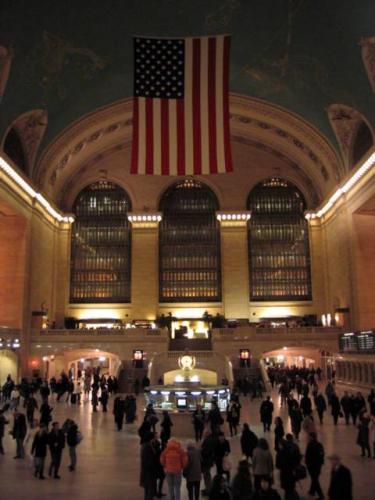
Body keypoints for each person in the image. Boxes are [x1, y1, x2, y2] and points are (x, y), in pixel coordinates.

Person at [305, 432, 325, 500]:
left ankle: (321, 495)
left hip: (312, 466)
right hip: (318, 465)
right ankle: (312, 491)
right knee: (315, 478)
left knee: (315, 480)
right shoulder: (319, 445)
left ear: (311, 437)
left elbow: (308, 456)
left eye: (309, 436)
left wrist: (307, 463)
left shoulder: (310, 445)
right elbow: (322, 454)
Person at [140, 431, 158, 500]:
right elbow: (148, 461)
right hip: (148, 473)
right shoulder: (147, 446)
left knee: (148, 490)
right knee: (150, 491)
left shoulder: (146, 445)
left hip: (147, 472)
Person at [200, 429, 217, 496]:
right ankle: (208, 488)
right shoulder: (211, 439)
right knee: (207, 475)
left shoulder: (207, 440)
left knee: (206, 476)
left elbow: (205, 451)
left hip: (206, 461)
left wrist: (201, 450)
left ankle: (208, 490)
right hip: (209, 460)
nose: (203, 434)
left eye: (204, 433)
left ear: (207, 433)